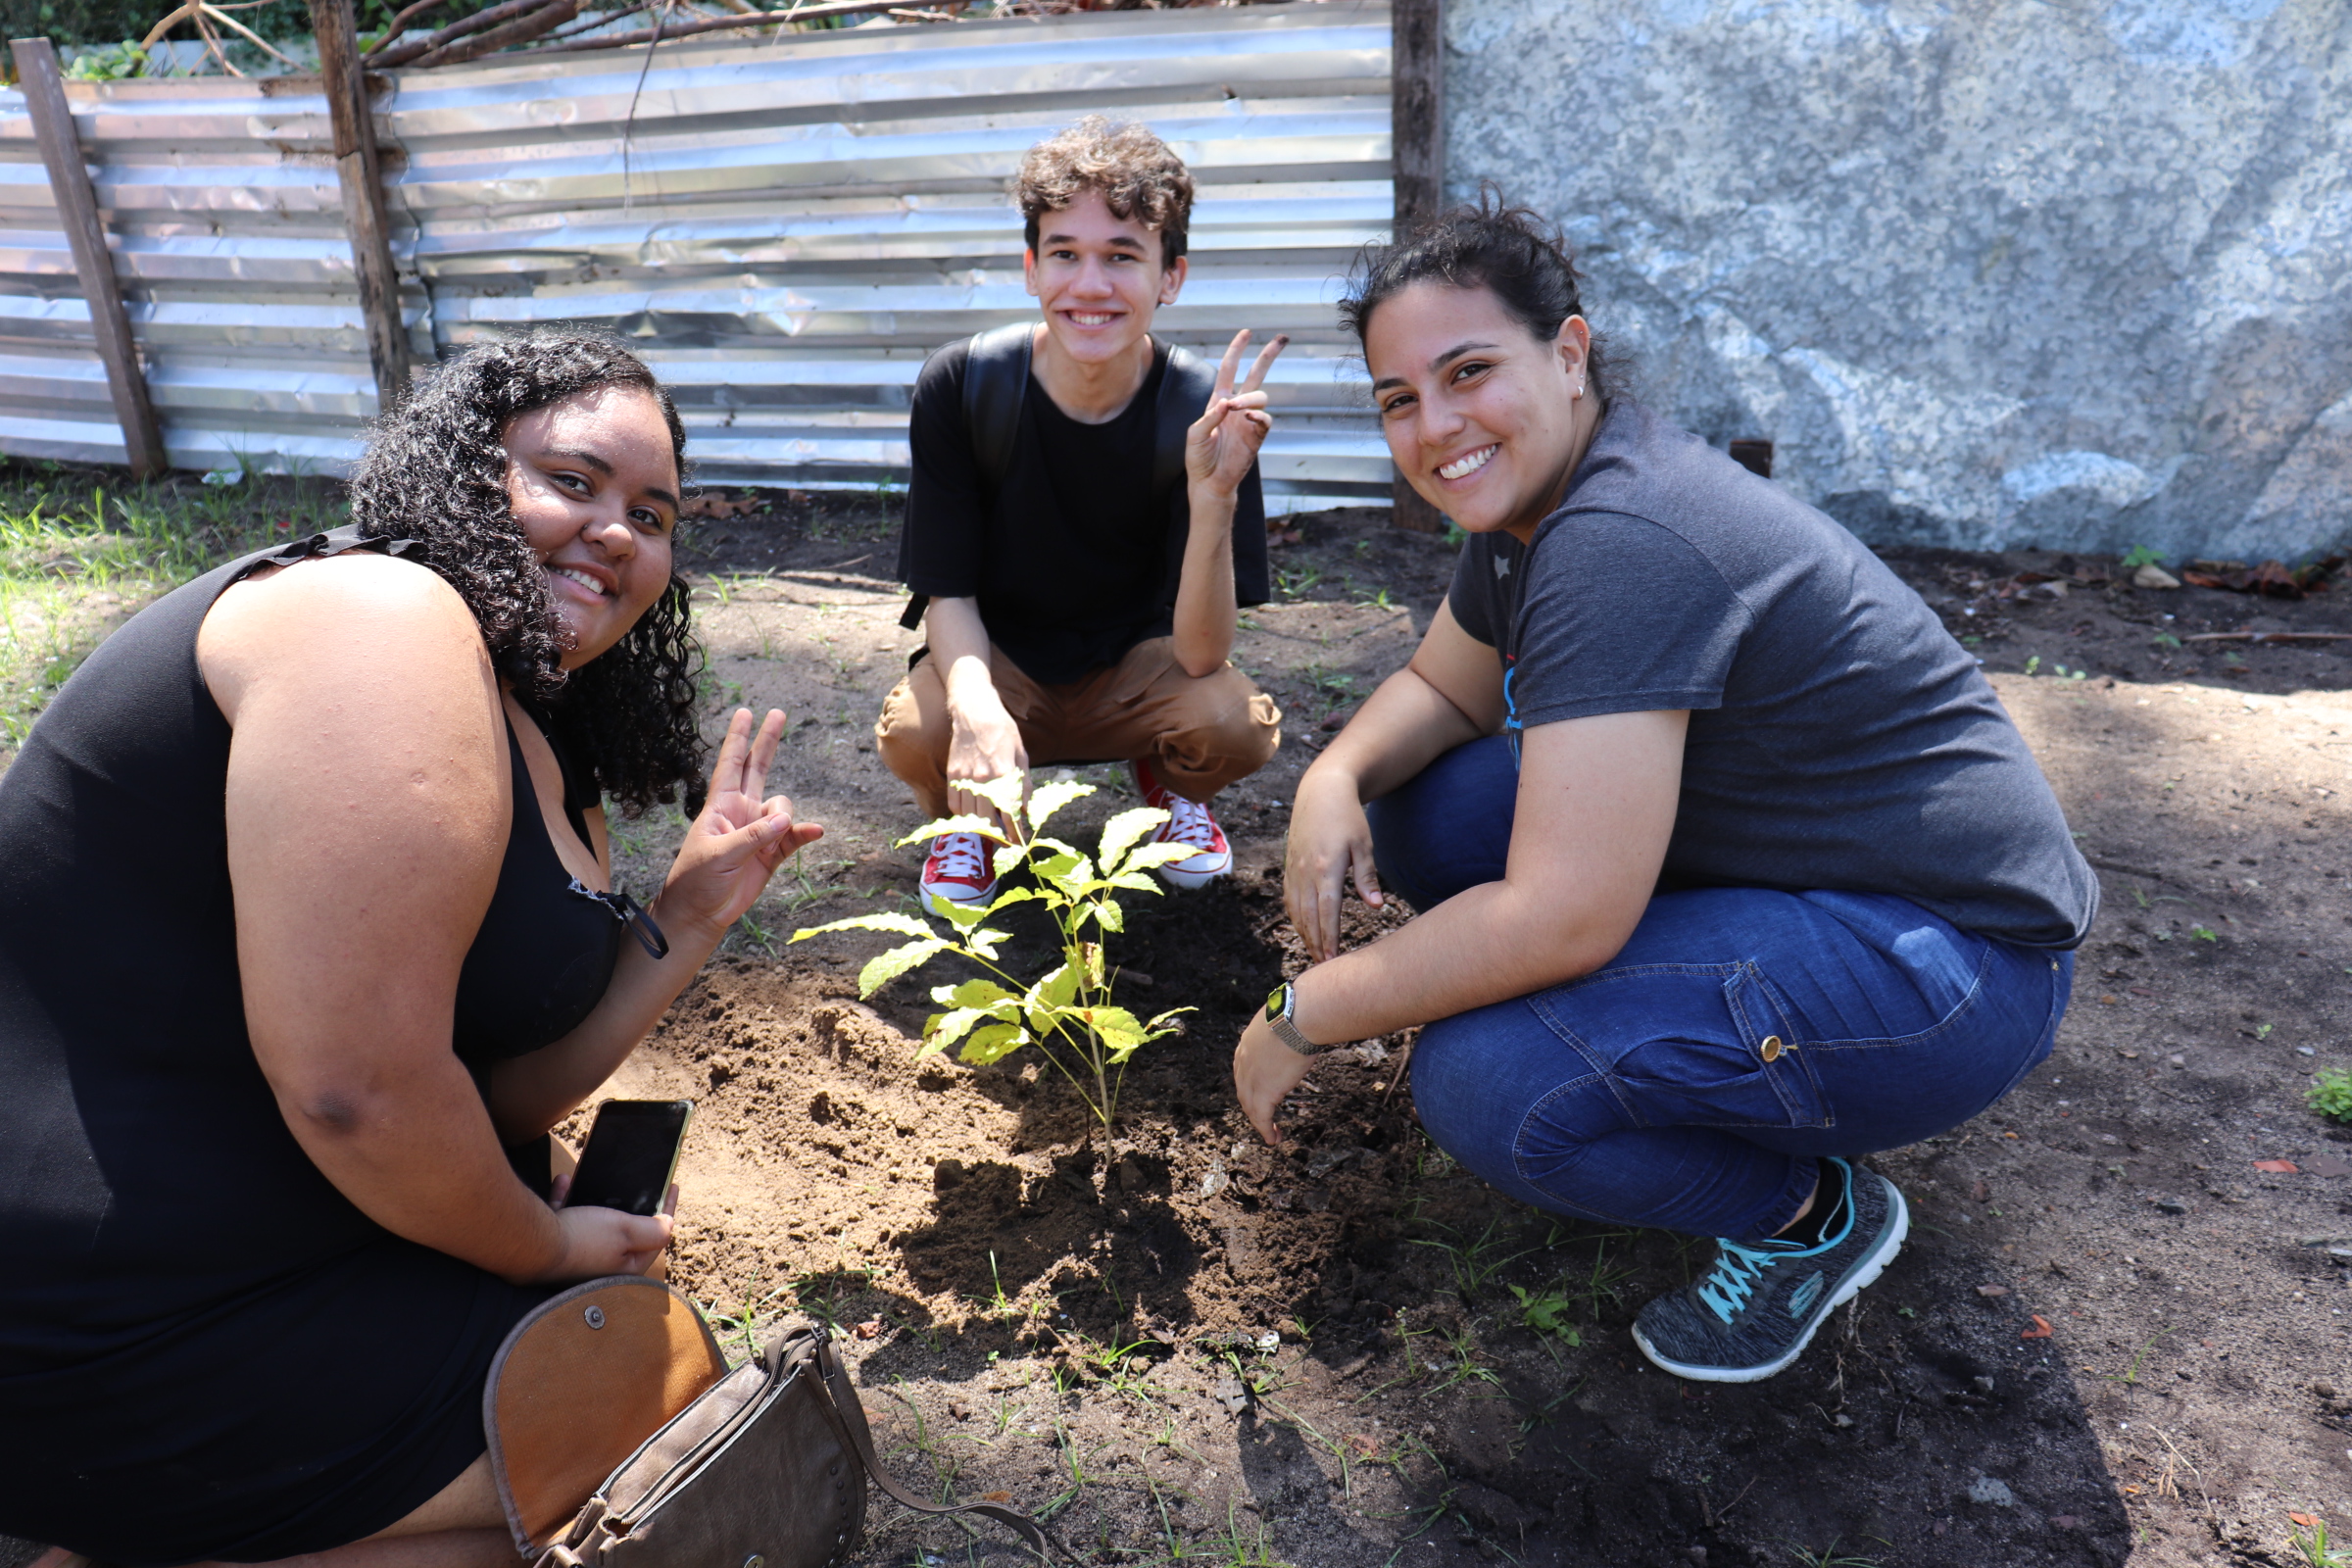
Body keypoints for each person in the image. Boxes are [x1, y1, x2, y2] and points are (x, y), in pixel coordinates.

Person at [1237, 201, 2096, 1385]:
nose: (1435, 426)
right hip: (1828, 875)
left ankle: (1806, 1219)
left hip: (1950, 969)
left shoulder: (1621, 540)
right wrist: (1332, 775)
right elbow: (1443, 687)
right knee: (1429, 809)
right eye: (1399, 398)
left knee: (1487, 1082)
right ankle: (1700, 1053)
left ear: (1569, 354)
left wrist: (1307, 1012)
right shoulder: (1536, 501)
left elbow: (1564, 916)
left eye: (1468, 372)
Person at [0, 332, 821, 1568]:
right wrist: (539, 1241)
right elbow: (355, 1091)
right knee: (647, 1434)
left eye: (653, 516)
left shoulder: (535, 720)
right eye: (573, 481)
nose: (616, 532)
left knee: (639, 1394)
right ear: (461, 473)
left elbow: (498, 1092)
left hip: (270, 1228)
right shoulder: (377, 619)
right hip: (97, 1300)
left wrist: (691, 915)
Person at [877, 116, 1287, 913]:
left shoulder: (1203, 407)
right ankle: (975, 818)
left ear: (1171, 277)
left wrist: (1214, 496)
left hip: (1139, 669)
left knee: (1232, 724)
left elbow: (1203, 654)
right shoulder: (963, 384)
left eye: (1123, 256)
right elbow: (947, 590)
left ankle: (1167, 783)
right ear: (1032, 269)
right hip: (1003, 661)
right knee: (917, 730)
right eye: (1065, 254)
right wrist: (975, 707)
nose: (1090, 286)